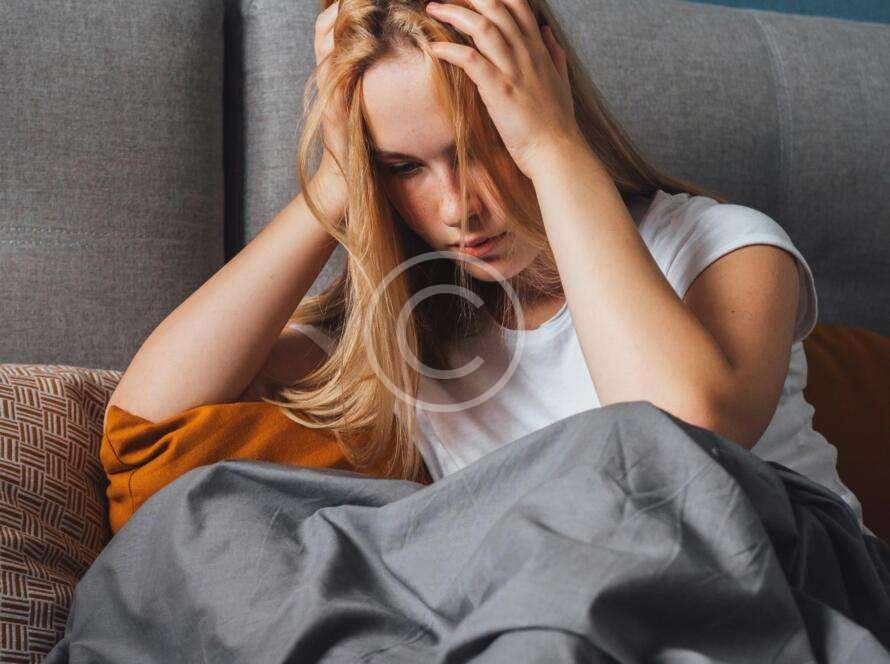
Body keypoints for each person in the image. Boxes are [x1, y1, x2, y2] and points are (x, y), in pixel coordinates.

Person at [104, 0, 870, 535]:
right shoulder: (420, 323)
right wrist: (337, 185)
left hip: (788, 583)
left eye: (485, 147)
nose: (457, 208)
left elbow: (688, 442)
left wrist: (554, 148)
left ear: (544, 104)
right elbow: (150, 420)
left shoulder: (722, 245)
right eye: (404, 167)